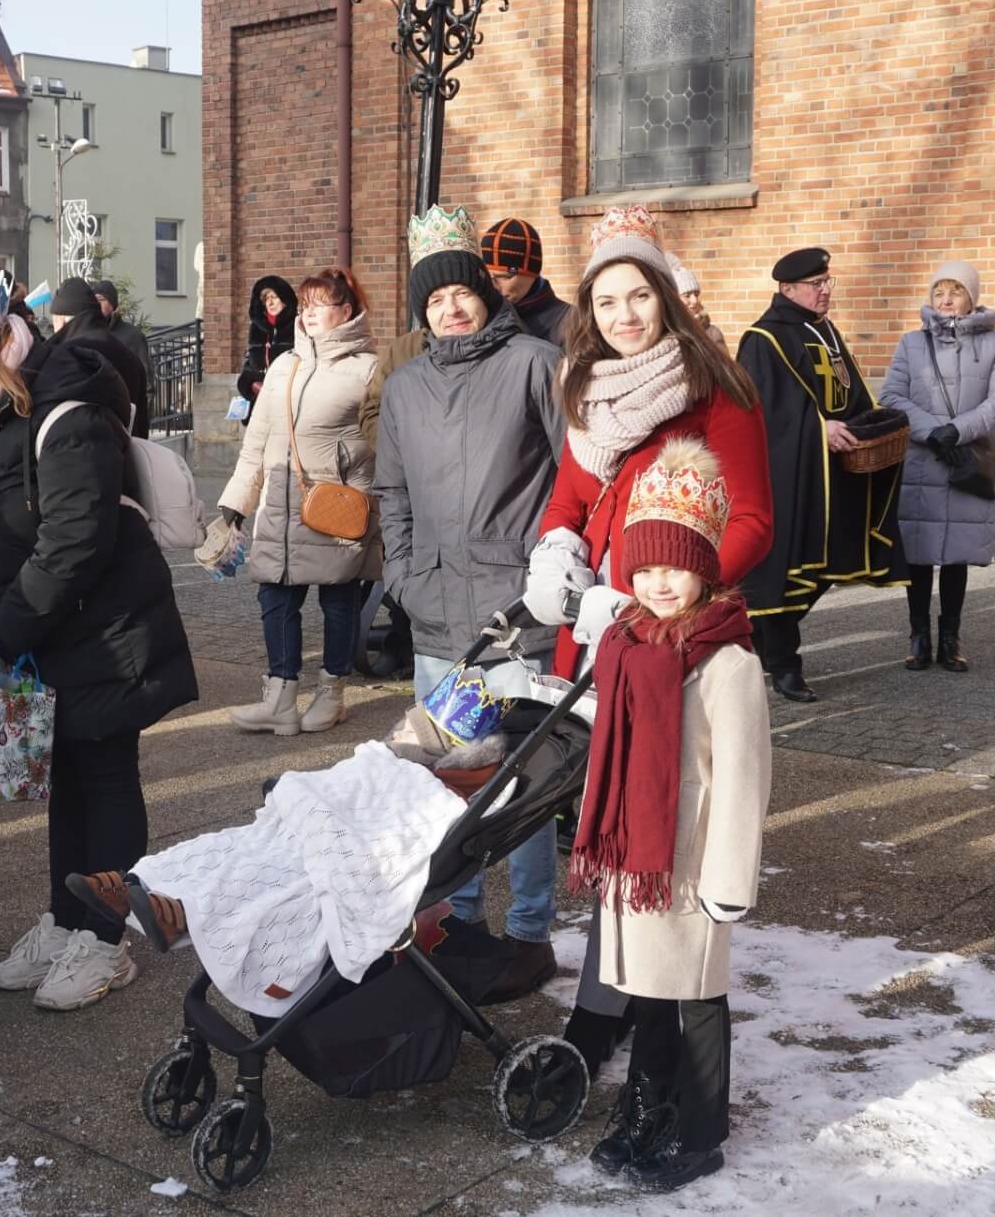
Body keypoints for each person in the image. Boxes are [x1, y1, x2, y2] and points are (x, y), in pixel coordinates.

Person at [0, 265, 197, 1013]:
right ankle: (67, 916)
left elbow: (76, 536)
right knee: (68, 781)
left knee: (104, 778)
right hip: (53, 634)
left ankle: (106, 938)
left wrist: (7, 628)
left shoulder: (62, 410)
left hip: (107, 633)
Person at [568, 438, 771, 1194]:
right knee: (647, 989)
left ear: (706, 566)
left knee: (694, 996)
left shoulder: (728, 661)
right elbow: (609, 752)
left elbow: (745, 777)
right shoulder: (626, 642)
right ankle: (648, 1105)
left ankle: (699, 1129)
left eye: (674, 566)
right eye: (644, 566)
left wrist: (729, 879)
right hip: (638, 856)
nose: (657, 582)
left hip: (690, 862)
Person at [375, 203, 565, 1002]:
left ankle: (528, 930)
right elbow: (391, 491)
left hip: (511, 610)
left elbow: (570, 473)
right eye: (433, 301)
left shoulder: (532, 362)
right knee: (439, 774)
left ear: (484, 294)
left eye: (461, 294)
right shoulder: (405, 383)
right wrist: (404, 574)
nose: (449, 308)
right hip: (434, 610)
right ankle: (456, 918)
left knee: (516, 780)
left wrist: (546, 572)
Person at [64, 703, 510, 1015]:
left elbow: (414, 805)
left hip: (384, 820)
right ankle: (150, 883)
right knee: (247, 844)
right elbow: (368, 769)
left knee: (292, 877)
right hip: (346, 803)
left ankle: (182, 911)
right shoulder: (405, 754)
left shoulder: (460, 782)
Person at [526, 204, 771, 683]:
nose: (626, 317)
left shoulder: (715, 387)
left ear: (665, 297)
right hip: (594, 617)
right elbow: (568, 502)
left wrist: (673, 596)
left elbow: (753, 520)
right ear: (591, 312)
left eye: (640, 296)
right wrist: (554, 557)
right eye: (607, 303)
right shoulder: (583, 387)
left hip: (675, 627)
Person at [735, 248, 907, 703]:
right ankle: (782, 662)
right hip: (791, 474)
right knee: (790, 569)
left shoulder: (825, 330)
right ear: (788, 289)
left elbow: (849, 392)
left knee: (833, 561)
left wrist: (871, 425)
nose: (826, 290)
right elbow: (761, 411)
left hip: (837, 470)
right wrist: (818, 428)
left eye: (828, 281)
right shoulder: (763, 338)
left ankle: (759, 641)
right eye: (816, 284)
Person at [217, 267, 382, 735]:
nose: (308, 314)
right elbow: (258, 441)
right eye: (304, 305)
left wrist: (364, 499)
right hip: (278, 505)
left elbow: (379, 444)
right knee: (275, 596)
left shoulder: (369, 368)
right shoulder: (283, 366)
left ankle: (332, 694)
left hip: (336, 507)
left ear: (346, 311)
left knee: (339, 600)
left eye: (320, 305)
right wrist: (235, 505)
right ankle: (281, 698)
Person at [877, 261, 995, 672]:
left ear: (971, 298)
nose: (947, 300)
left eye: (956, 292)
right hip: (921, 459)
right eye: (939, 292)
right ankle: (918, 636)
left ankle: (950, 639)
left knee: (956, 557)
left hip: (966, 460)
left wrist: (958, 429)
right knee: (918, 555)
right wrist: (931, 430)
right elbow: (892, 395)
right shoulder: (910, 344)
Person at [48, 278, 150, 437]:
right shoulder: (127, 355)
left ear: (60, 320)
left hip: (77, 450)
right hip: (127, 448)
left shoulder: (65, 356)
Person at [482, 217, 571, 344]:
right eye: (488, 276)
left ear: (532, 273)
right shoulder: (480, 316)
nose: (494, 286)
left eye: (505, 277)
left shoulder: (572, 323)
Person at [236, 276, 296, 426]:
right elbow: (250, 362)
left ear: (284, 299)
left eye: (274, 297)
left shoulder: (297, 325)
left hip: (287, 402)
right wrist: (250, 382)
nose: (269, 303)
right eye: (265, 299)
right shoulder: (257, 327)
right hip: (259, 402)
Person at [90, 279, 152, 375]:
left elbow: (144, 374)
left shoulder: (133, 336)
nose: (97, 304)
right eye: (94, 300)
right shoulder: (88, 334)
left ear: (112, 305)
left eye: (101, 300)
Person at [668, 256, 726, 352]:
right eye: (687, 295)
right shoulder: (663, 335)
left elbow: (724, 366)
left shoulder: (712, 334)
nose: (695, 300)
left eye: (696, 294)